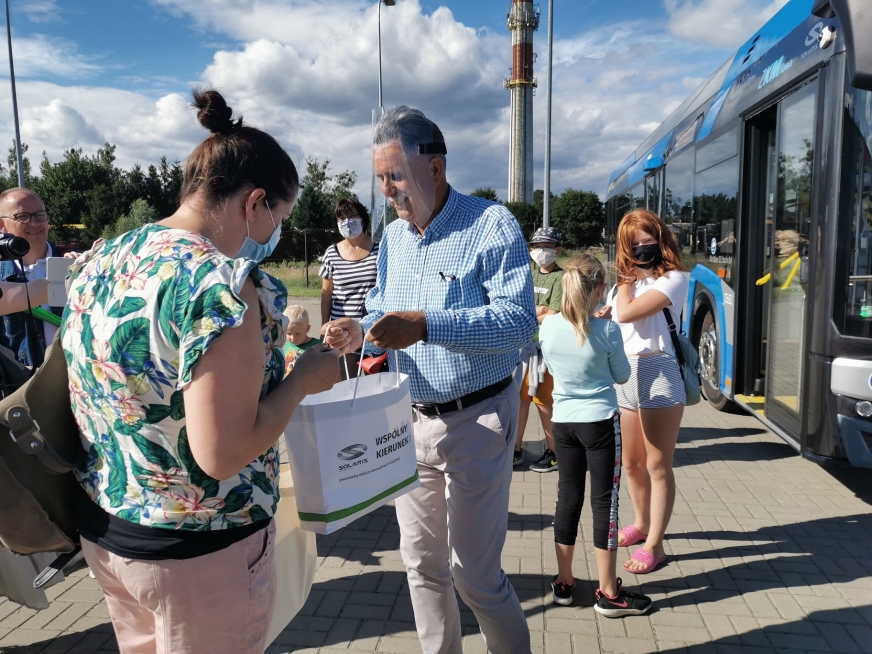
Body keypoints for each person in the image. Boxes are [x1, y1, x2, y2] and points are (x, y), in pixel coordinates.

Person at [60, 89, 340, 654]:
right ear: (254, 202)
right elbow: (222, 453)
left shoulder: (105, 260)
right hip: (201, 549)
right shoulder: (221, 288)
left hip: (110, 527)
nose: (272, 234)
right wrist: (303, 381)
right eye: (279, 218)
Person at [324, 106, 536, 654]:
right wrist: (360, 331)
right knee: (420, 567)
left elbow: (518, 326)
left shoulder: (491, 225)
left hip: (478, 420)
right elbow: (379, 308)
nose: (387, 190)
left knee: (475, 577)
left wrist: (426, 325)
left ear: (435, 168)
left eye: (394, 175)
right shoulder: (392, 240)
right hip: (410, 423)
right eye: (380, 178)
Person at [539, 253, 652, 616]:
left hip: (563, 422)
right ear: (600, 290)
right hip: (600, 422)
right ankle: (607, 592)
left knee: (567, 498)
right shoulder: (608, 330)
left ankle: (565, 581)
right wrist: (603, 330)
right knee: (605, 502)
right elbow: (621, 376)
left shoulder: (548, 327)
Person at [603, 208, 688, 575]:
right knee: (633, 464)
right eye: (634, 244)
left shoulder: (674, 279)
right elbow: (611, 317)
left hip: (658, 371)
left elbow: (626, 314)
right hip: (625, 374)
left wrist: (623, 282)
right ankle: (640, 523)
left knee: (657, 464)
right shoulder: (624, 287)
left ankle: (656, 543)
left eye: (648, 242)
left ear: (661, 240)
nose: (641, 250)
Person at [0, 188, 69, 367]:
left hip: (76, 379)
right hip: (21, 384)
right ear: (2, 225)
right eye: (22, 216)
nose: (34, 223)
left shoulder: (76, 263)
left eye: (40, 215)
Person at [515, 226, 563, 472]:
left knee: (543, 402)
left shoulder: (561, 278)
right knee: (519, 399)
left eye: (547, 246)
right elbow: (520, 308)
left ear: (557, 249)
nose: (541, 251)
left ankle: (555, 453)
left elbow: (553, 315)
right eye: (536, 246)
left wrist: (534, 312)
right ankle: (515, 449)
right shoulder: (529, 275)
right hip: (524, 346)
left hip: (546, 349)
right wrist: (539, 311)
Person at [319, 198, 379, 379]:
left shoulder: (380, 248)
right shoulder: (331, 253)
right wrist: (325, 327)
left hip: (373, 331)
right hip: (342, 334)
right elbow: (326, 294)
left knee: (375, 389)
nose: (347, 221)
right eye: (341, 218)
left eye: (352, 216)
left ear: (362, 218)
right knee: (346, 387)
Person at [283, 305, 321, 374]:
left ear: (307, 329)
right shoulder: (286, 346)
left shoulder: (317, 347)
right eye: (288, 333)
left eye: (297, 334)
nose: (293, 338)